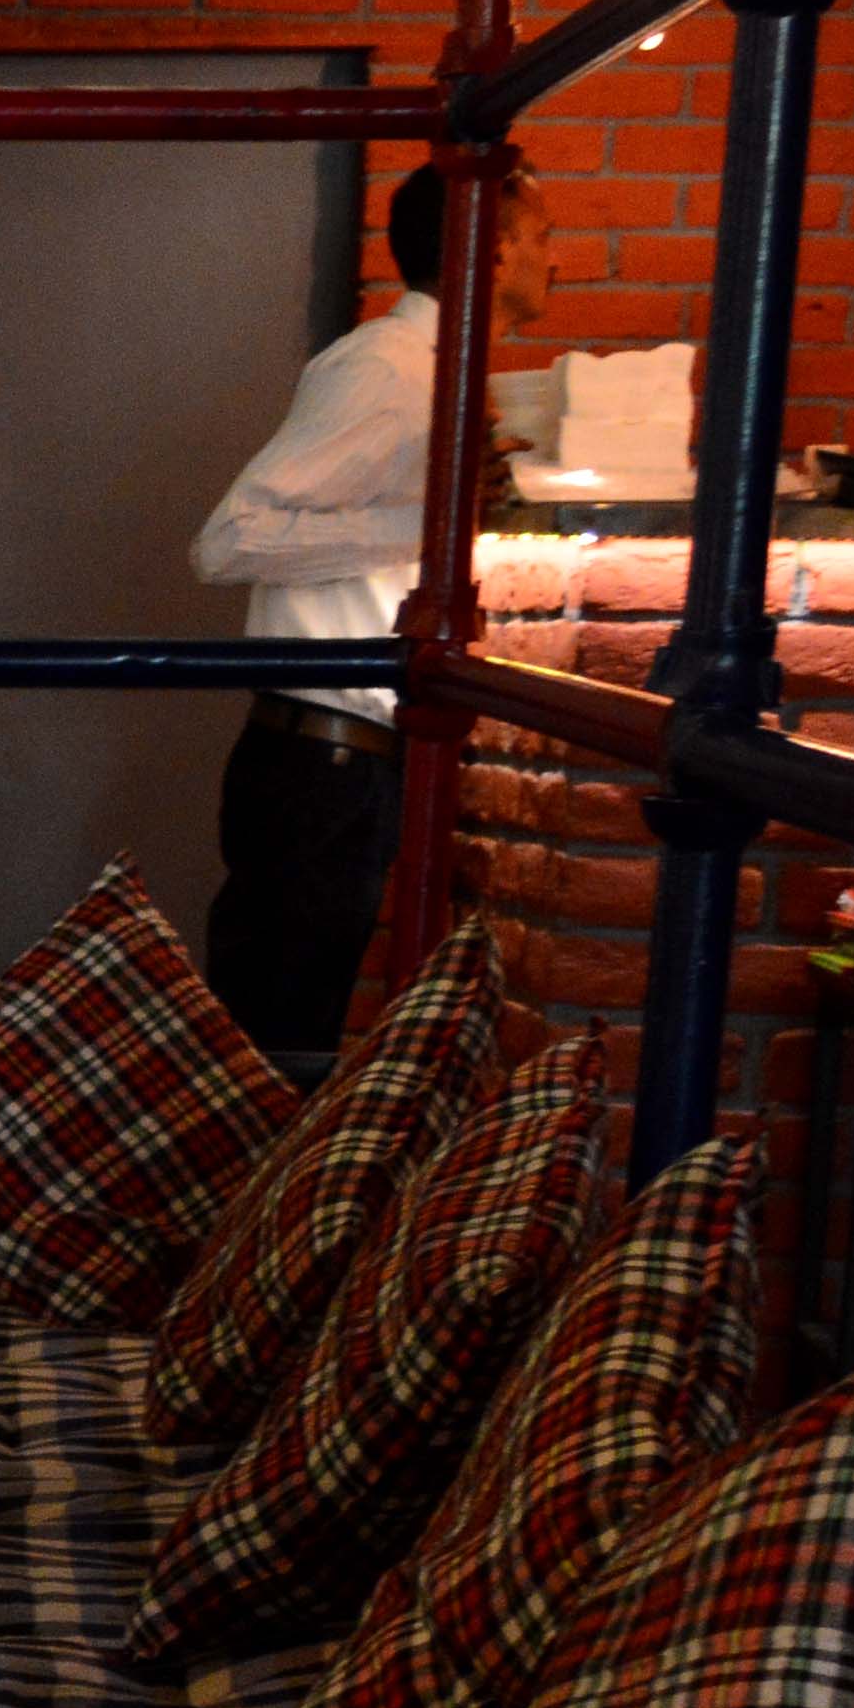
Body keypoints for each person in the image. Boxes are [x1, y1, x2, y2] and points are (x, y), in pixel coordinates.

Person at [184, 163, 555, 1062]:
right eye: (543, 238)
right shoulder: (383, 370)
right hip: (322, 766)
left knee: (286, 1041)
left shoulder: (433, 373)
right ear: (492, 249)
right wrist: (429, 519)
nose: (556, 261)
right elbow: (228, 541)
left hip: (344, 763)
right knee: (275, 1047)